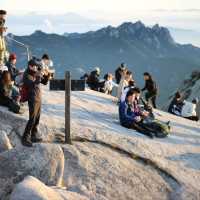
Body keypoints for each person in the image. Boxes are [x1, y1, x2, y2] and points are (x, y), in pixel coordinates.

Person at [22, 58, 50, 147]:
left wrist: (47, 74)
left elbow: (44, 82)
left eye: (36, 66)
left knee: (37, 118)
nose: (36, 68)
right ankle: (25, 137)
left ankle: (33, 135)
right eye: (34, 66)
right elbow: (32, 85)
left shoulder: (34, 72)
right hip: (32, 98)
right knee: (32, 119)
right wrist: (38, 76)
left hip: (38, 97)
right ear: (30, 66)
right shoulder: (26, 75)